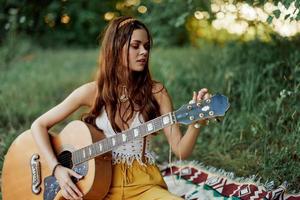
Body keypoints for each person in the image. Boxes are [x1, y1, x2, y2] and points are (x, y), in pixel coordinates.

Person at [31, 16, 211, 200]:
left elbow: (181, 150)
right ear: (116, 48)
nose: (144, 52)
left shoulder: (157, 92)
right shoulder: (92, 91)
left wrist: (195, 124)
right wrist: (56, 168)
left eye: (147, 46)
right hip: (98, 184)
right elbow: (39, 125)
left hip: (144, 184)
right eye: (136, 46)